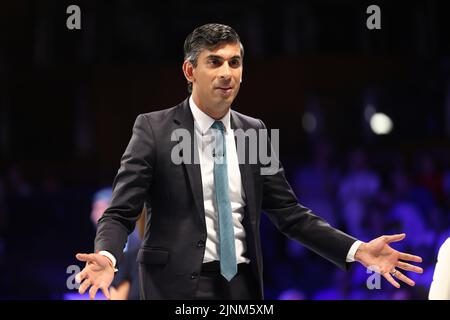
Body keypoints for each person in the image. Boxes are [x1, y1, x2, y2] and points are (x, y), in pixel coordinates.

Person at [75, 23, 423, 300]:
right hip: (175, 287)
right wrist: (107, 256)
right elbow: (120, 211)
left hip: (242, 285)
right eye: (214, 62)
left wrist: (357, 249)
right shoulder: (153, 128)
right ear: (189, 71)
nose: (227, 72)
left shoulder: (255, 132)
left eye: (234, 62)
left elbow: (291, 216)